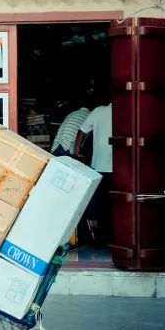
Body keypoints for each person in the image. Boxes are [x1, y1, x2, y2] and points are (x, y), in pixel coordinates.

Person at [76, 102, 113, 243]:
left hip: (100, 164)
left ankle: (102, 237)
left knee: (101, 203)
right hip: (120, 166)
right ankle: (114, 236)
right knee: (116, 202)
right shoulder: (127, 111)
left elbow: (82, 130)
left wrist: (77, 150)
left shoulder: (98, 111)